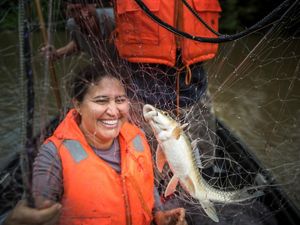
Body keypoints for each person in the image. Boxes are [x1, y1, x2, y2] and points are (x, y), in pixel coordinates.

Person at [43, 0, 222, 169]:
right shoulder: (73, 26)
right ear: (68, 13)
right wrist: (58, 53)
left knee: (151, 122)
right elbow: (79, 43)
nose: (81, 14)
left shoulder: (111, 20)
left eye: (84, 8)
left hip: (129, 77)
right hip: (108, 78)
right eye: (73, 11)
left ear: (94, 6)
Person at [29, 63, 187, 225]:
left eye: (120, 100)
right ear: (78, 105)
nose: (113, 111)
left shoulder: (137, 137)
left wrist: (159, 215)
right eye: (101, 101)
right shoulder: (53, 155)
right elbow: (40, 217)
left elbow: (147, 183)